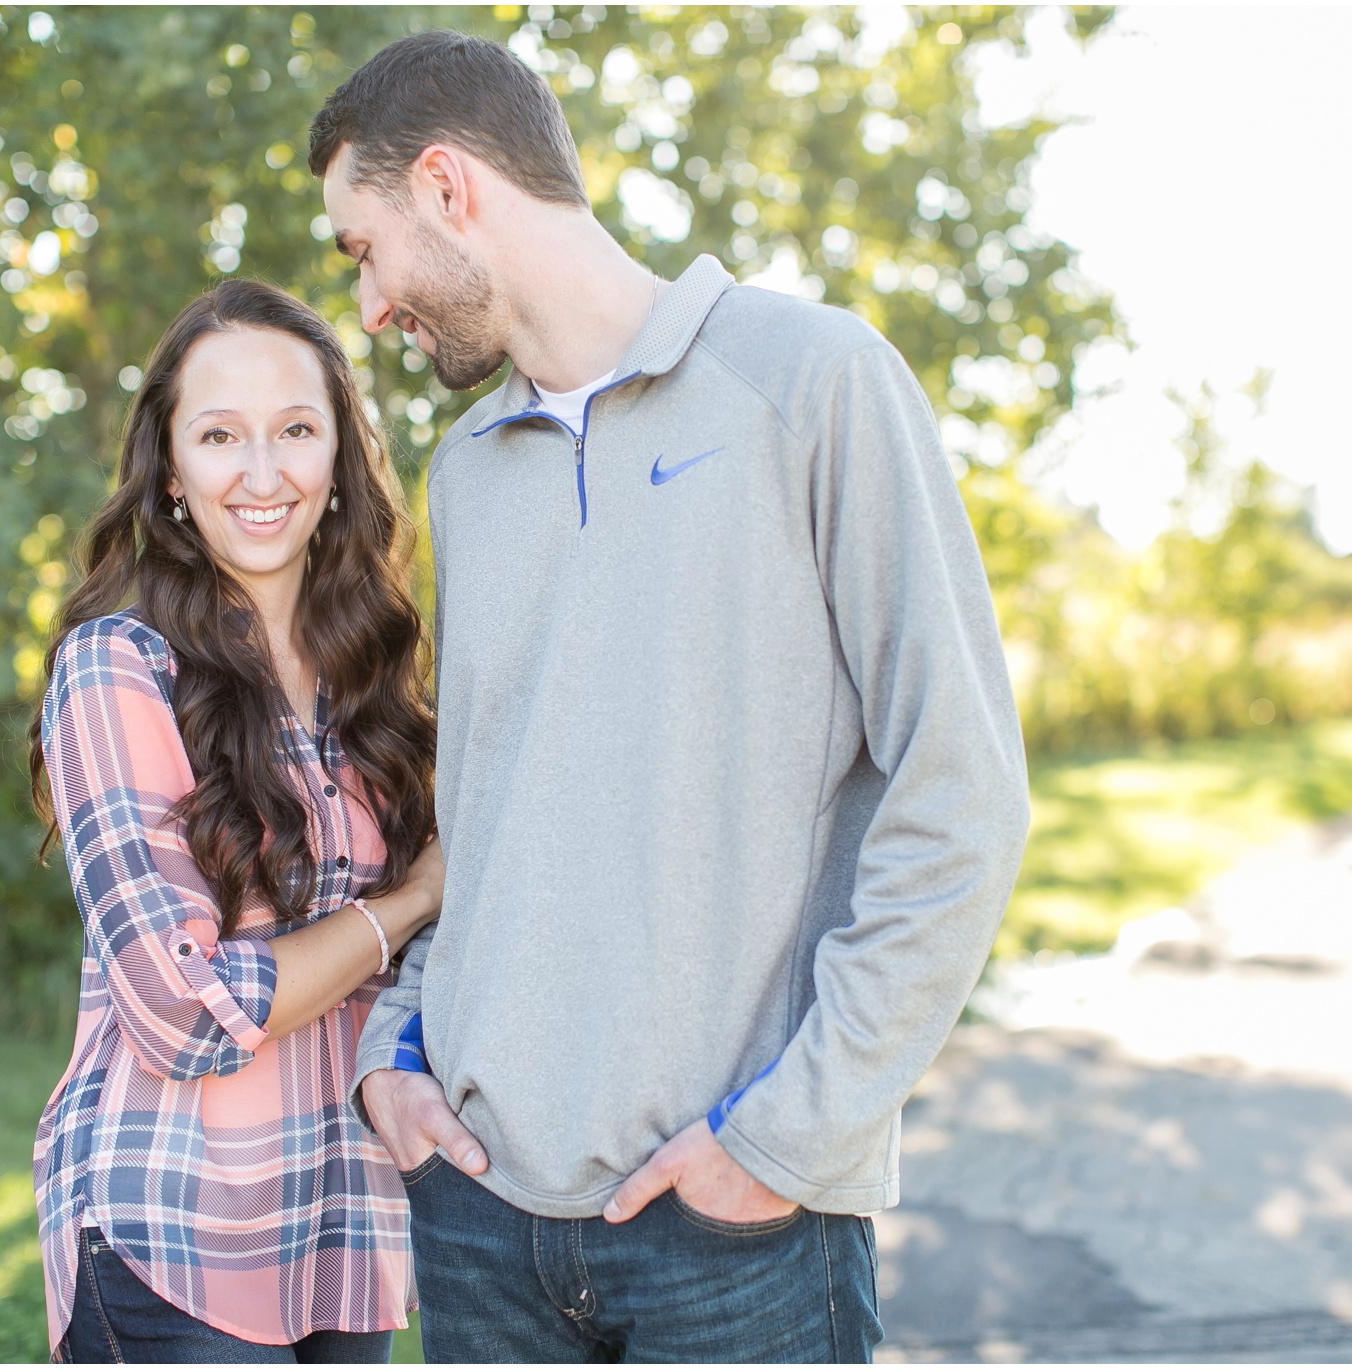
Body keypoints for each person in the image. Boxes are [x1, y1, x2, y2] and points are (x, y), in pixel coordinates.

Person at [309, 31, 1031, 1365]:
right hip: (478, 1215)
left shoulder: (812, 382)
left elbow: (962, 792)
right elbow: (473, 810)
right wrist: (391, 1058)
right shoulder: (468, 472)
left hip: (737, 1232)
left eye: (364, 248)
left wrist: (786, 1140)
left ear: (450, 187)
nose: (371, 308)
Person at [27, 280, 441, 1363]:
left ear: (341, 457)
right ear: (170, 470)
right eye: (219, 436)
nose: (262, 475)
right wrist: (411, 898)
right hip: (174, 1241)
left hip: (346, 1237)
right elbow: (182, 1012)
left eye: (296, 430)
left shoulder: (381, 686)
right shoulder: (117, 667)